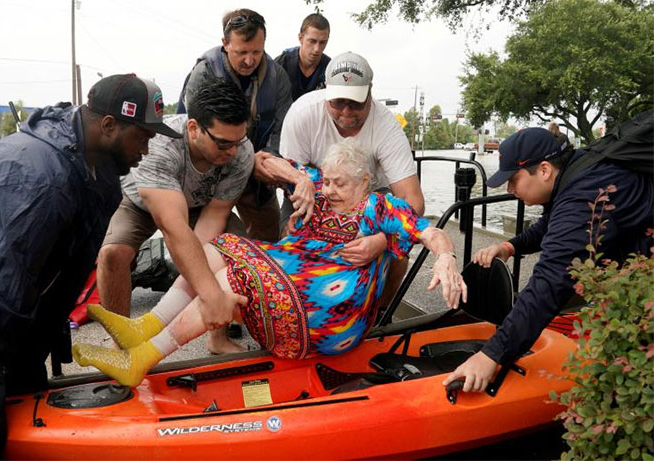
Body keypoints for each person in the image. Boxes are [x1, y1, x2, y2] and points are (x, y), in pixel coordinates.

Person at [72, 139, 467, 388]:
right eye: (325, 181)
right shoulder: (322, 186)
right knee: (218, 248)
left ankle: (140, 357)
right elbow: (264, 159)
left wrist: (446, 258)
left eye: (338, 184)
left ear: (365, 181)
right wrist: (302, 179)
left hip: (328, 319)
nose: (328, 191)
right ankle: (145, 327)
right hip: (289, 293)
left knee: (235, 276)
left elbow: (429, 232)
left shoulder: (381, 207)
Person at [0, 74, 179, 459]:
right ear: (108, 126)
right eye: (142, 136)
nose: (147, 148)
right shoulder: (40, 179)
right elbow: (7, 285)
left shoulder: (100, 174)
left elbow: (62, 268)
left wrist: (44, 333)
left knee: (30, 393)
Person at [442, 127, 654, 393]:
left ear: (543, 170)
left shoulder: (584, 195)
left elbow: (549, 283)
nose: (509, 189)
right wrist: (510, 247)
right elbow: (550, 224)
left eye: (513, 180)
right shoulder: (580, 172)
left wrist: (491, 355)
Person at [96, 78, 254, 355]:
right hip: (142, 203)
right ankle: (120, 340)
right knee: (112, 253)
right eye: (223, 143)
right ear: (193, 129)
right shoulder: (159, 144)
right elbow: (172, 228)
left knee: (232, 248)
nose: (232, 151)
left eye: (237, 142)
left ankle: (217, 338)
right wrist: (206, 290)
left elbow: (215, 215)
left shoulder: (242, 152)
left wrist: (205, 283)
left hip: (201, 206)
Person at [271, 50, 425, 309]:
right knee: (292, 236)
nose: (346, 112)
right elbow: (285, 172)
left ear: (370, 92)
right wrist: (306, 196)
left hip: (368, 195)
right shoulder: (302, 113)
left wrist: (382, 240)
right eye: (338, 102)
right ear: (326, 89)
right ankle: (300, 308)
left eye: (355, 103)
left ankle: (379, 316)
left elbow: (414, 201)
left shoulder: (387, 127)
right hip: (313, 191)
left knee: (397, 248)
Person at [176, 8, 292, 243]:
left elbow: (282, 128)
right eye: (242, 52)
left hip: (258, 172)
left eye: (257, 52)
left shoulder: (278, 77)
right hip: (209, 171)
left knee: (268, 239)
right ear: (225, 44)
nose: (249, 60)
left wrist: (268, 157)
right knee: (206, 241)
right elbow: (194, 134)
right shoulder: (204, 74)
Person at [274, 12, 331, 102]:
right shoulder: (281, 64)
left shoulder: (331, 70)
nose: (317, 48)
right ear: (301, 38)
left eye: (322, 42)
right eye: (312, 41)